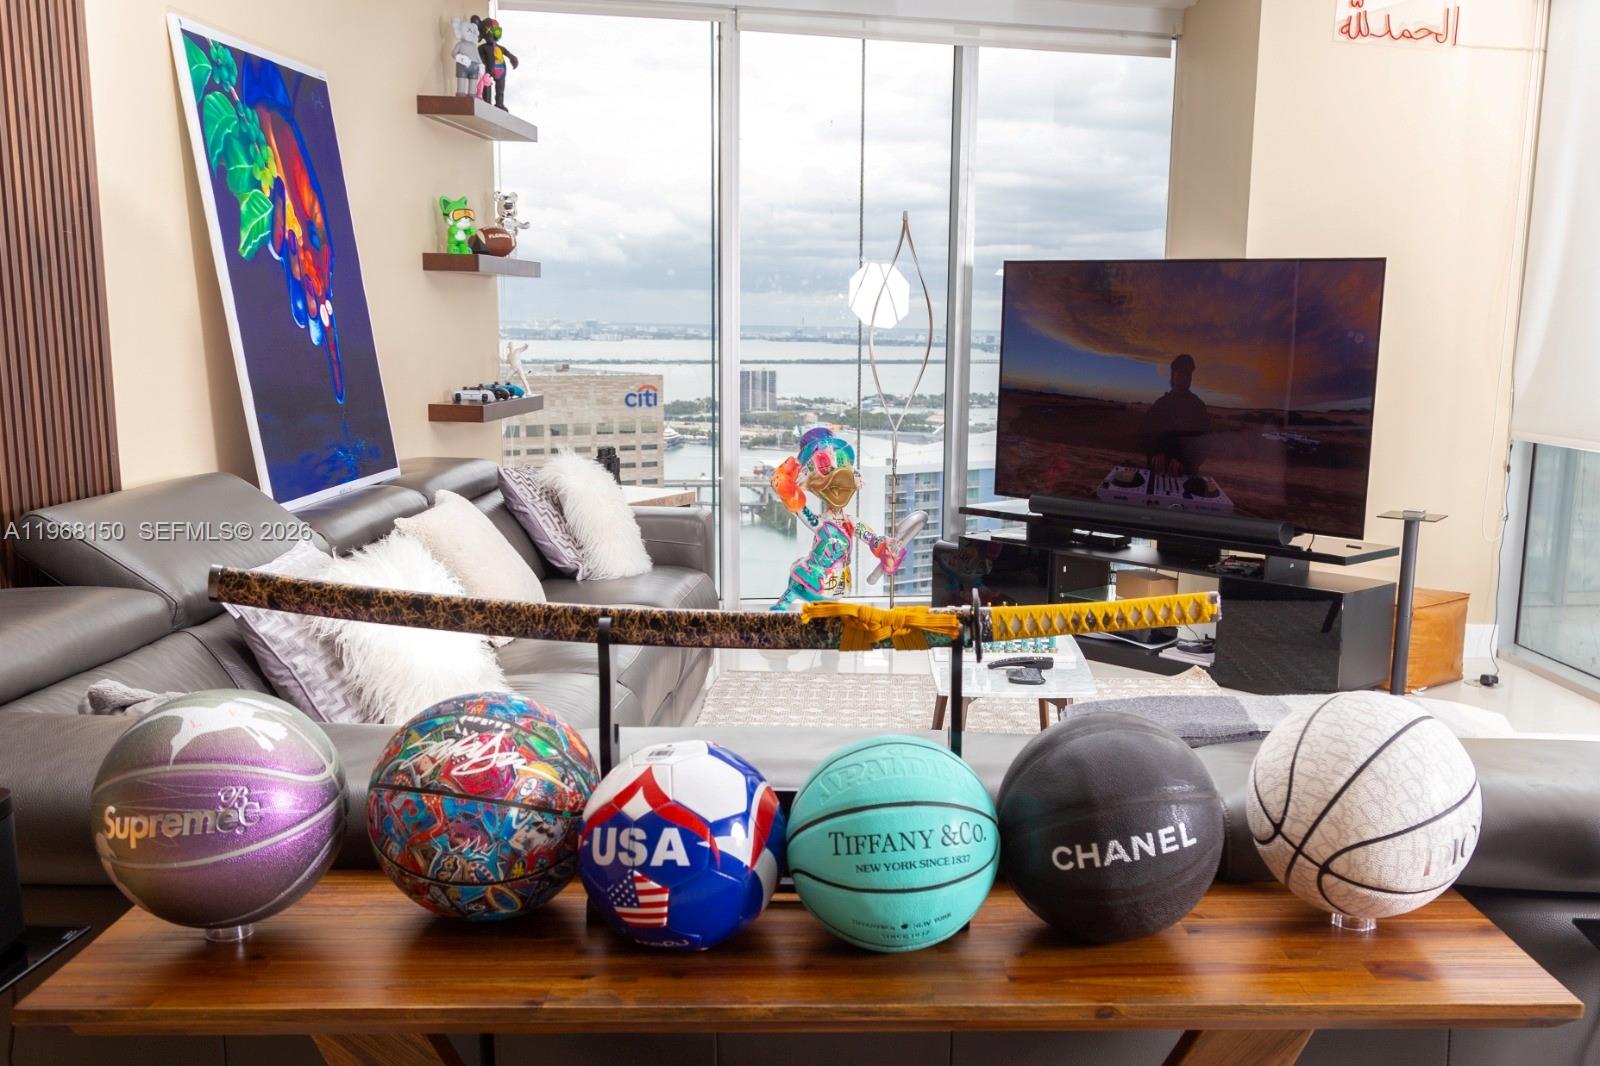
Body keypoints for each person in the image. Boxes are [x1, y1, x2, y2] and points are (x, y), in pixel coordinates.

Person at [1139, 353, 1212, 475]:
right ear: (1173, 375)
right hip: (1158, 471)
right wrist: (1155, 451)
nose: (1186, 378)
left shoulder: (1197, 406)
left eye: (1189, 374)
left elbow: (1205, 442)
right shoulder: (1161, 403)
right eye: (1181, 373)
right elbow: (1145, 431)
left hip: (1185, 474)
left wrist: (1184, 459)